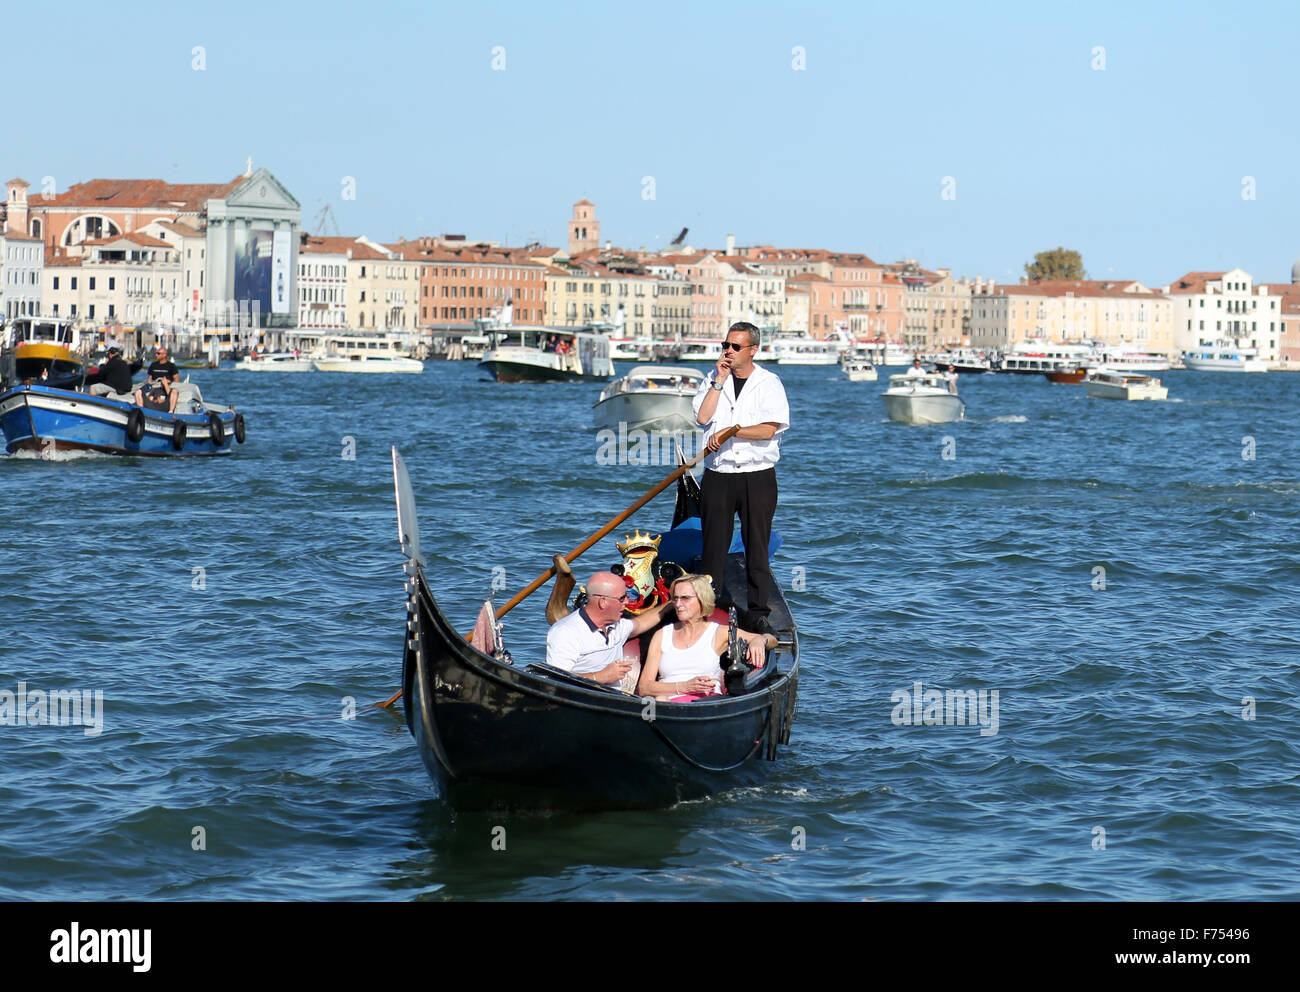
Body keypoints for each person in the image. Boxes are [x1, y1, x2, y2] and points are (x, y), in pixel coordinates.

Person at [692, 320, 789, 635]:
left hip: (756, 475)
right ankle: (709, 608)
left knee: (756, 546)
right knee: (713, 547)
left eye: (735, 347)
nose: (728, 351)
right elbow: (702, 417)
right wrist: (718, 380)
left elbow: (768, 429)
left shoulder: (769, 383)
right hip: (718, 474)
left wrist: (732, 431)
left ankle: (759, 612)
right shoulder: (712, 379)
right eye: (725, 345)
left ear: (753, 350)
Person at [638, 574, 775, 701]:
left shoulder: (718, 632)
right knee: (660, 700)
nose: (678, 604)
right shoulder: (662, 635)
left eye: (685, 598)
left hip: (706, 704)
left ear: (702, 600)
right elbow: (644, 687)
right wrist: (684, 687)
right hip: (666, 703)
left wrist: (759, 640)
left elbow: (772, 640)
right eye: (675, 598)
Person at [545, 570, 675, 692]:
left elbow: (640, 623)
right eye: (622, 598)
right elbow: (557, 679)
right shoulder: (566, 632)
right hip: (580, 701)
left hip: (614, 699)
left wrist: (672, 603)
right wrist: (600, 677)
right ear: (603, 602)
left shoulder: (616, 625)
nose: (627, 602)